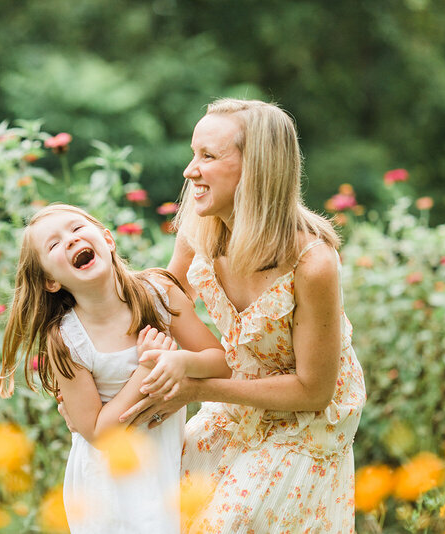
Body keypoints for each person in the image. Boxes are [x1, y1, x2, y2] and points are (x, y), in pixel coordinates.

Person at [120, 98, 367, 533]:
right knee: (157, 509)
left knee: (225, 524)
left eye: (208, 156)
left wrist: (195, 387)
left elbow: (314, 390)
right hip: (235, 407)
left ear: (256, 169)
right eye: (193, 153)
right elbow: (163, 300)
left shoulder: (312, 263)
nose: (189, 170)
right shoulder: (202, 224)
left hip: (306, 428)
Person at [0, 204, 230, 534]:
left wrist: (178, 363)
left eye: (77, 229)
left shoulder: (159, 295)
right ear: (50, 281)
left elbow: (221, 362)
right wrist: (146, 369)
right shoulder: (67, 339)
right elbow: (98, 433)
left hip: (169, 462)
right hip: (109, 483)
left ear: (107, 239)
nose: (70, 240)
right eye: (53, 244)